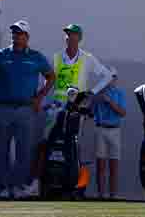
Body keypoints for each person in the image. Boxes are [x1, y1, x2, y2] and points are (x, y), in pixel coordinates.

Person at [0, 20, 54, 199]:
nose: (15, 36)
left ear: (27, 37)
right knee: (1, 149)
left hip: (26, 110)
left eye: (19, 33)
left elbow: (51, 76)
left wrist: (40, 97)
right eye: (14, 33)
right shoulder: (1, 55)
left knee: (23, 151)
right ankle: (4, 187)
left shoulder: (36, 57)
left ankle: (18, 186)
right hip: (3, 109)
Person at [46, 24, 107, 194]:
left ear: (79, 38)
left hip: (78, 112)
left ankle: (79, 187)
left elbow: (107, 76)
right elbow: (48, 82)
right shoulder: (57, 57)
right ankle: (48, 183)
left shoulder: (87, 58)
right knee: (49, 144)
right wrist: (46, 101)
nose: (69, 37)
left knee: (78, 150)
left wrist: (91, 93)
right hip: (57, 110)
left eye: (73, 34)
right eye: (67, 34)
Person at [88, 71, 125, 200]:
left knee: (114, 165)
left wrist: (110, 102)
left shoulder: (119, 93)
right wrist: (94, 100)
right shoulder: (98, 93)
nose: (110, 80)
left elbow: (122, 113)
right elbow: (90, 113)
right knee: (101, 165)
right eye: (108, 77)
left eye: (113, 77)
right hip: (100, 129)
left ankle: (113, 195)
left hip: (115, 130)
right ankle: (101, 195)